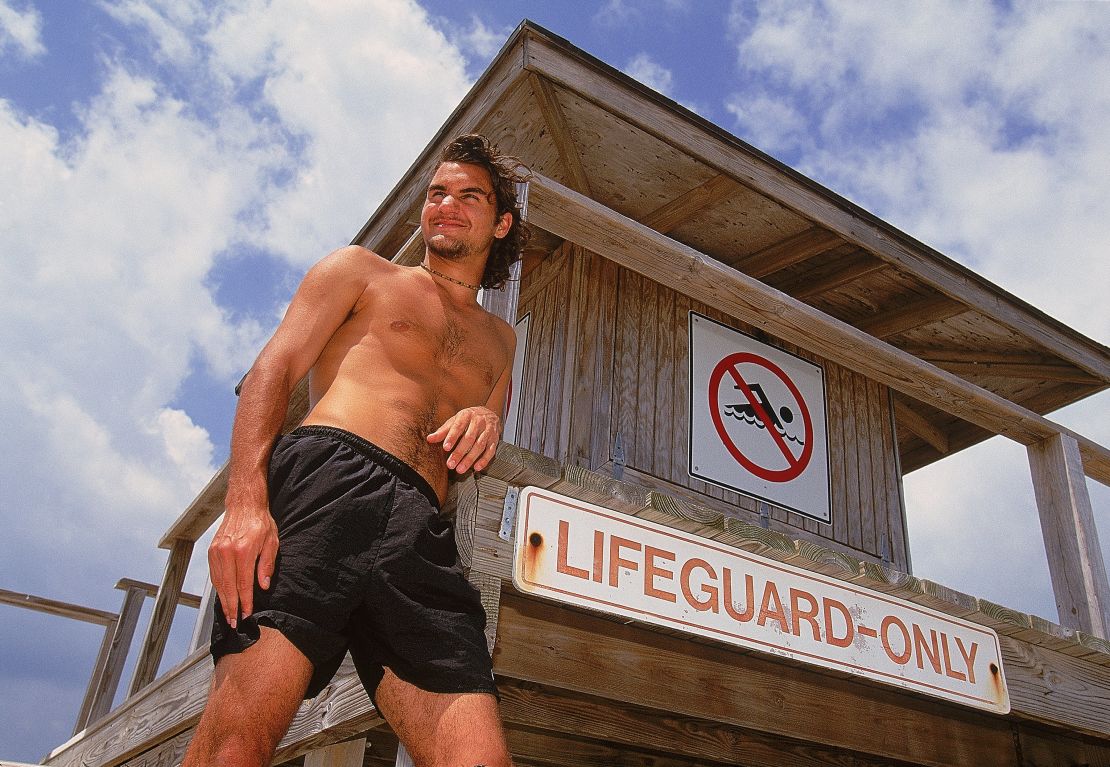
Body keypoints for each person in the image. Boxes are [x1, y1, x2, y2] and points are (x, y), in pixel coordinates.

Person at [183, 134, 530, 767]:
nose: (447, 204)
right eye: (438, 193)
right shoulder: (359, 272)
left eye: (469, 195)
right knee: (237, 740)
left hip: (421, 529)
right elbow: (272, 373)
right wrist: (243, 505)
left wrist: (486, 418)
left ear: (501, 222)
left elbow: (485, 424)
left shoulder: (503, 342)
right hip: (326, 482)